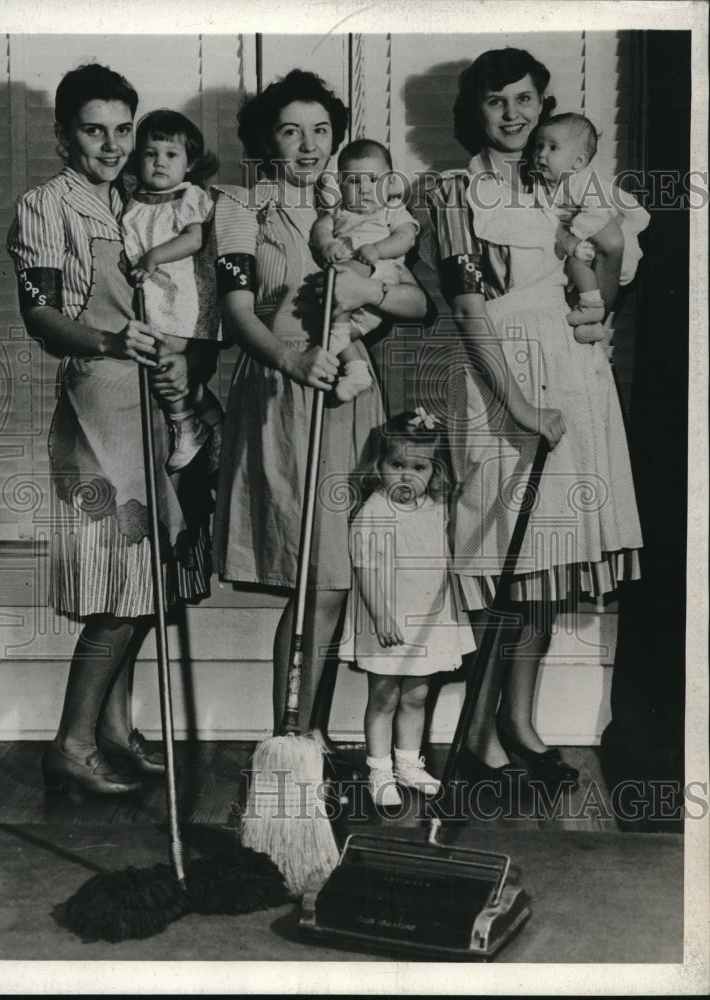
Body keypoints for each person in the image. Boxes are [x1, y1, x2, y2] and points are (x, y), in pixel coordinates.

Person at [424, 48, 643, 790]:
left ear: (542, 105)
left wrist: (604, 263)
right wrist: (516, 402)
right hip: (500, 381)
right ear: (475, 111)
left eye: (525, 99)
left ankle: (520, 725)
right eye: (496, 101)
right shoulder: (453, 193)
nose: (513, 114)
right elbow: (464, 307)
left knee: (547, 564)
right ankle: (476, 740)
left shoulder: (572, 178)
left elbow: (603, 290)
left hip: (575, 378)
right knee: (500, 564)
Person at [7, 64, 215, 796]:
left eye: (122, 129)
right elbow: (41, 317)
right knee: (115, 592)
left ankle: (115, 732)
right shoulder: (45, 206)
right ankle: (69, 746)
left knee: (148, 586)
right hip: (98, 410)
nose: (113, 143)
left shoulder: (132, 199)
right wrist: (107, 343)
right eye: (94, 130)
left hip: (152, 406)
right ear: (65, 135)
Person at [211, 69, 428, 737]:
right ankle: (293, 741)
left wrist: (371, 296)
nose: (307, 145)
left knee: (337, 578)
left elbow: (418, 304)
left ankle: (302, 737)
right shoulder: (241, 208)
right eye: (289, 130)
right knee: (319, 581)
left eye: (320, 131)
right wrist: (293, 359)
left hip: (350, 402)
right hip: (284, 395)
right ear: (264, 139)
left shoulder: (361, 209)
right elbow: (237, 310)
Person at [338, 409, 475, 807]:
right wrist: (381, 615)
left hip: (426, 621)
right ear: (378, 465)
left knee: (416, 697)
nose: (406, 476)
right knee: (384, 698)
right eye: (396, 464)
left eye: (418, 467)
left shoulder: (435, 508)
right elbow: (364, 568)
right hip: (387, 619)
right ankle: (379, 770)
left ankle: (408, 764)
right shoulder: (375, 513)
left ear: (434, 472)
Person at [122, 109, 224, 471]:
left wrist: (153, 256)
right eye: (150, 154)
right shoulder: (134, 201)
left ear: (189, 162)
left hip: (183, 298)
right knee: (172, 368)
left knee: (166, 364)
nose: (159, 162)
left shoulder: (188, 196)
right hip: (154, 299)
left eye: (171, 154)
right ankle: (212, 419)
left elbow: (194, 239)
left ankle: (187, 425)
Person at [311, 138, 420, 401]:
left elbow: (407, 237)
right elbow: (320, 230)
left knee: (336, 301)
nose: (364, 189)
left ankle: (347, 355)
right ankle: (357, 370)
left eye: (373, 179)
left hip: (380, 273)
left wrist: (379, 249)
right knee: (333, 336)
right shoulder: (337, 212)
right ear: (339, 184)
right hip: (348, 303)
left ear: (390, 182)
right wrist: (327, 245)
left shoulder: (392, 209)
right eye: (353, 181)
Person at [530, 112, 650, 344]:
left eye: (553, 148)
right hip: (595, 247)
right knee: (574, 266)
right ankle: (592, 325)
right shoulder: (550, 184)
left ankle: (591, 309)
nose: (541, 154)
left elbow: (597, 214)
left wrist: (574, 237)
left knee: (575, 262)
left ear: (578, 162)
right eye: (539, 146)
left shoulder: (580, 182)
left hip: (612, 249)